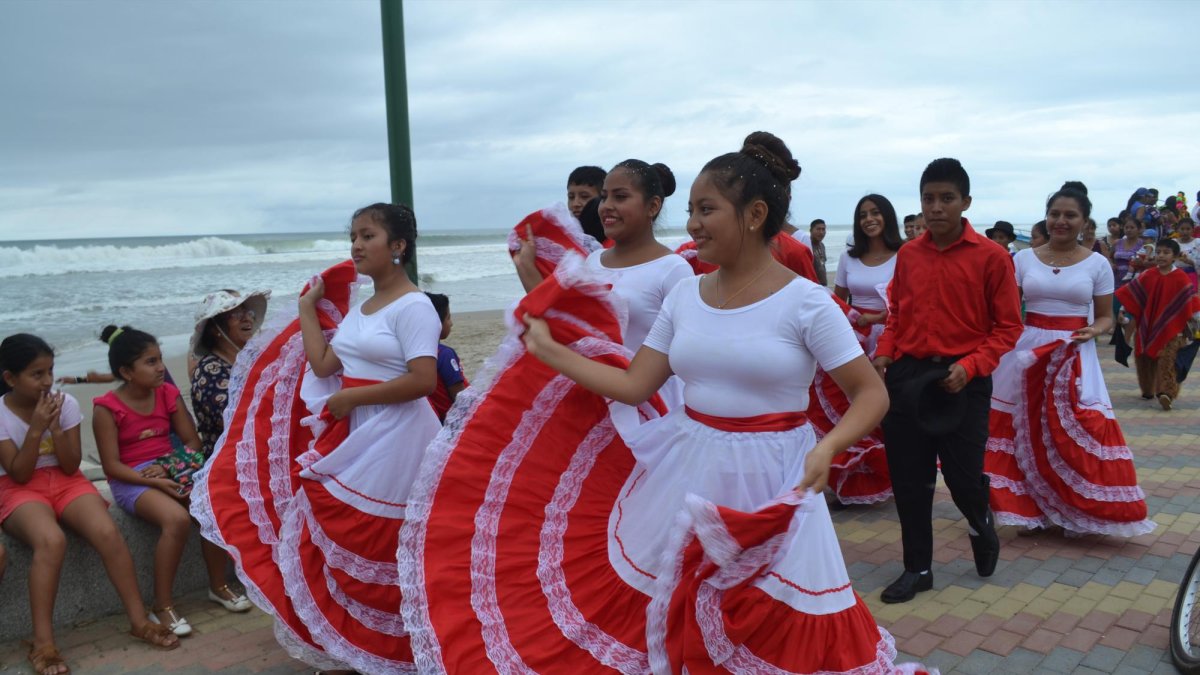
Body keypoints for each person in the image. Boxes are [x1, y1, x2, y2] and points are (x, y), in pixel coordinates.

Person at [398, 132, 925, 674]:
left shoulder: (807, 303)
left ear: (754, 215)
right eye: (692, 209)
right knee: (666, 612)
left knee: (776, 626)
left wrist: (831, 444)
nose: (693, 223)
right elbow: (634, 385)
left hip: (775, 476)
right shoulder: (685, 295)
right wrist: (552, 352)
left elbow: (871, 393)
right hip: (688, 467)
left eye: (706, 209)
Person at [194, 204, 442, 673]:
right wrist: (308, 308)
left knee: (381, 542)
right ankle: (356, 647)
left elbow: (424, 381)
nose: (355, 245)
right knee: (337, 532)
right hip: (357, 431)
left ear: (398, 247)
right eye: (352, 235)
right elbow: (326, 365)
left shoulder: (415, 306)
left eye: (367, 235)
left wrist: (349, 401)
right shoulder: (363, 308)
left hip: (398, 435)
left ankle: (400, 651)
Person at [872, 158, 1022, 603]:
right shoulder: (909, 255)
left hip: (964, 379)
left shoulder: (992, 258)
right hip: (910, 375)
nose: (935, 208)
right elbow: (897, 314)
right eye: (928, 199)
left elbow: (1009, 327)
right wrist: (883, 355)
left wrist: (972, 365)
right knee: (909, 478)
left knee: (961, 480)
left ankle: (981, 523)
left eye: (946, 199)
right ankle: (917, 569)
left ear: (965, 202)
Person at [1, 334, 178, 675]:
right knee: (51, 540)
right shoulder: (1, 413)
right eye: (37, 374)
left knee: (107, 531)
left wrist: (54, 427)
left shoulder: (64, 404)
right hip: (19, 487)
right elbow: (20, 473)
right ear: (10, 378)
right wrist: (36, 430)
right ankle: (43, 643)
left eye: (50, 370)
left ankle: (139, 620)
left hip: (65, 480)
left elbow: (70, 465)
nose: (48, 381)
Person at [985, 188, 1154, 537]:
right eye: (1055, 214)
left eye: (1070, 215)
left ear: (1083, 221)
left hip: (1074, 352)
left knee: (1075, 428)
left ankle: (1071, 506)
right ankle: (1029, 510)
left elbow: (1107, 317)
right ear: (1046, 217)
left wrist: (1092, 330)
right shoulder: (1022, 259)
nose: (1061, 221)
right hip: (1027, 351)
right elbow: (1007, 311)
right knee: (1021, 427)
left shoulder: (1097, 263)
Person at [93, 326, 251, 638]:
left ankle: (218, 585)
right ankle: (162, 604)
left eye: (160, 359)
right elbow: (111, 465)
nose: (161, 367)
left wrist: (166, 468)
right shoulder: (106, 408)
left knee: (211, 508)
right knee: (176, 520)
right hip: (131, 478)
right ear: (126, 371)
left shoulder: (167, 393)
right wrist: (150, 478)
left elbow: (192, 441)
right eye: (150, 362)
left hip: (170, 468)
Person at [1116, 239, 1200, 410]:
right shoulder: (1148, 274)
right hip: (1148, 324)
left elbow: (1190, 301)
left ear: (1175, 256)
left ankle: (1166, 392)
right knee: (1144, 357)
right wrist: (1123, 310)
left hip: (1174, 327)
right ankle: (1147, 389)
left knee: (1168, 359)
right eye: (1159, 252)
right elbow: (1133, 293)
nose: (1161, 255)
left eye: (1166, 252)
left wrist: (1196, 319)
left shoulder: (1180, 277)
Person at [188, 289, 269, 459]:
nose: (247, 318)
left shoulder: (252, 359)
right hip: (229, 459)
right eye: (236, 314)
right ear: (214, 329)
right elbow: (237, 421)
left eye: (248, 312)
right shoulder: (209, 372)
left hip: (259, 445)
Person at [425, 292, 469, 423]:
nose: (451, 323)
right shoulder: (444, 354)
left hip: (434, 419)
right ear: (436, 323)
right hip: (453, 420)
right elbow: (459, 396)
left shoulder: (412, 353)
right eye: (448, 318)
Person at [1175, 218, 1199, 290]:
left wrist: (1190, 262)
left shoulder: (1197, 243)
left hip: (1191, 275)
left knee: (1190, 297)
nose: (1185, 232)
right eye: (1182, 229)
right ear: (1177, 229)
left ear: (1193, 229)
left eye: (1188, 229)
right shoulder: (1174, 243)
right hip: (1176, 275)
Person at [810, 218, 828, 285]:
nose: (821, 232)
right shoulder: (807, 246)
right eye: (818, 229)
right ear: (811, 230)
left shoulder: (822, 246)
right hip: (812, 286)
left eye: (823, 229)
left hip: (823, 285)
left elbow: (822, 265)